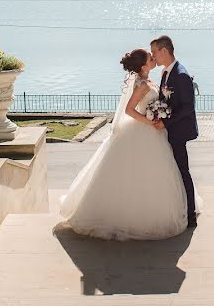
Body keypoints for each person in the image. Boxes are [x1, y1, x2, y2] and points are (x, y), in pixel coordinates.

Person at [59, 48, 189, 240]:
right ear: (144, 66)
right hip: (145, 129)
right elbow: (129, 109)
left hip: (152, 132)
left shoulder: (150, 80)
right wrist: (149, 121)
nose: (154, 58)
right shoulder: (142, 85)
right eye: (150, 57)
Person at [150, 35, 198, 228]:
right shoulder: (165, 73)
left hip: (178, 132)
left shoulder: (181, 75)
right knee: (173, 172)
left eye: (154, 52)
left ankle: (191, 215)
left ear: (164, 51)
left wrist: (166, 122)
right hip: (168, 130)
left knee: (182, 171)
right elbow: (166, 101)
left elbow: (188, 108)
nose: (153, 56)